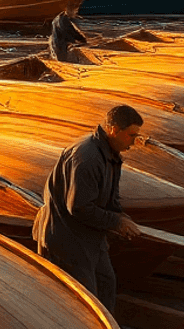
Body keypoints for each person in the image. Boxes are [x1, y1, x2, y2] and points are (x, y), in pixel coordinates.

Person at [33, 104, 143, 311]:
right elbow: (79, 208)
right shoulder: (88, 158)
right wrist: (116, 222)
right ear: (113, 130)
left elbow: (111, 196)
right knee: (84, 300)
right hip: (66, 237)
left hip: (91, 234)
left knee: (106, 283)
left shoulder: (111, 153)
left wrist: (122, 218)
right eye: (131, 135)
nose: (134, 142)